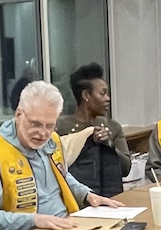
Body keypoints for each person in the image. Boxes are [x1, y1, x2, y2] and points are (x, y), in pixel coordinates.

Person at [0, 80, 122, 230]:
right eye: (36, 124)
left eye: (50, 126)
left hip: (68, 227)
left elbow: (61, 175)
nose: (43, 134)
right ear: (18, 115)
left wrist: (87, 195)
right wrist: (33, 221)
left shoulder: (52, 140)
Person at [56, 62, 131, 198]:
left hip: (111, 201)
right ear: (86, 95)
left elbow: (126, 169)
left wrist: (109, 145)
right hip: (74, 201)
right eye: (102, 94)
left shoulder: (112, 127)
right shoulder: (60, 127)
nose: (107, 98)